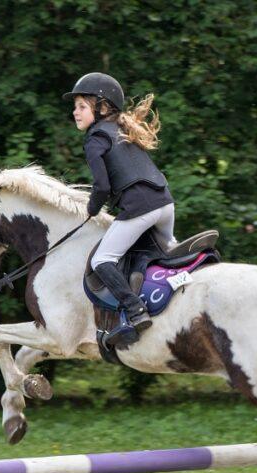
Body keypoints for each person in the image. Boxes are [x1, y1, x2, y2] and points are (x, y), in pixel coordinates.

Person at [64, 72, 176, 347]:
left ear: (102, 107)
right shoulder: (122, 131)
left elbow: (102, 186)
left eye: (82, 106)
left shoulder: (95, 138)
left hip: (140, 210)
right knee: (167, 253)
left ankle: (135, 310)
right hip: (165, 204)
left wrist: (91, 209)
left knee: (101, 261)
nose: (75, 112)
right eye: (75, 106)